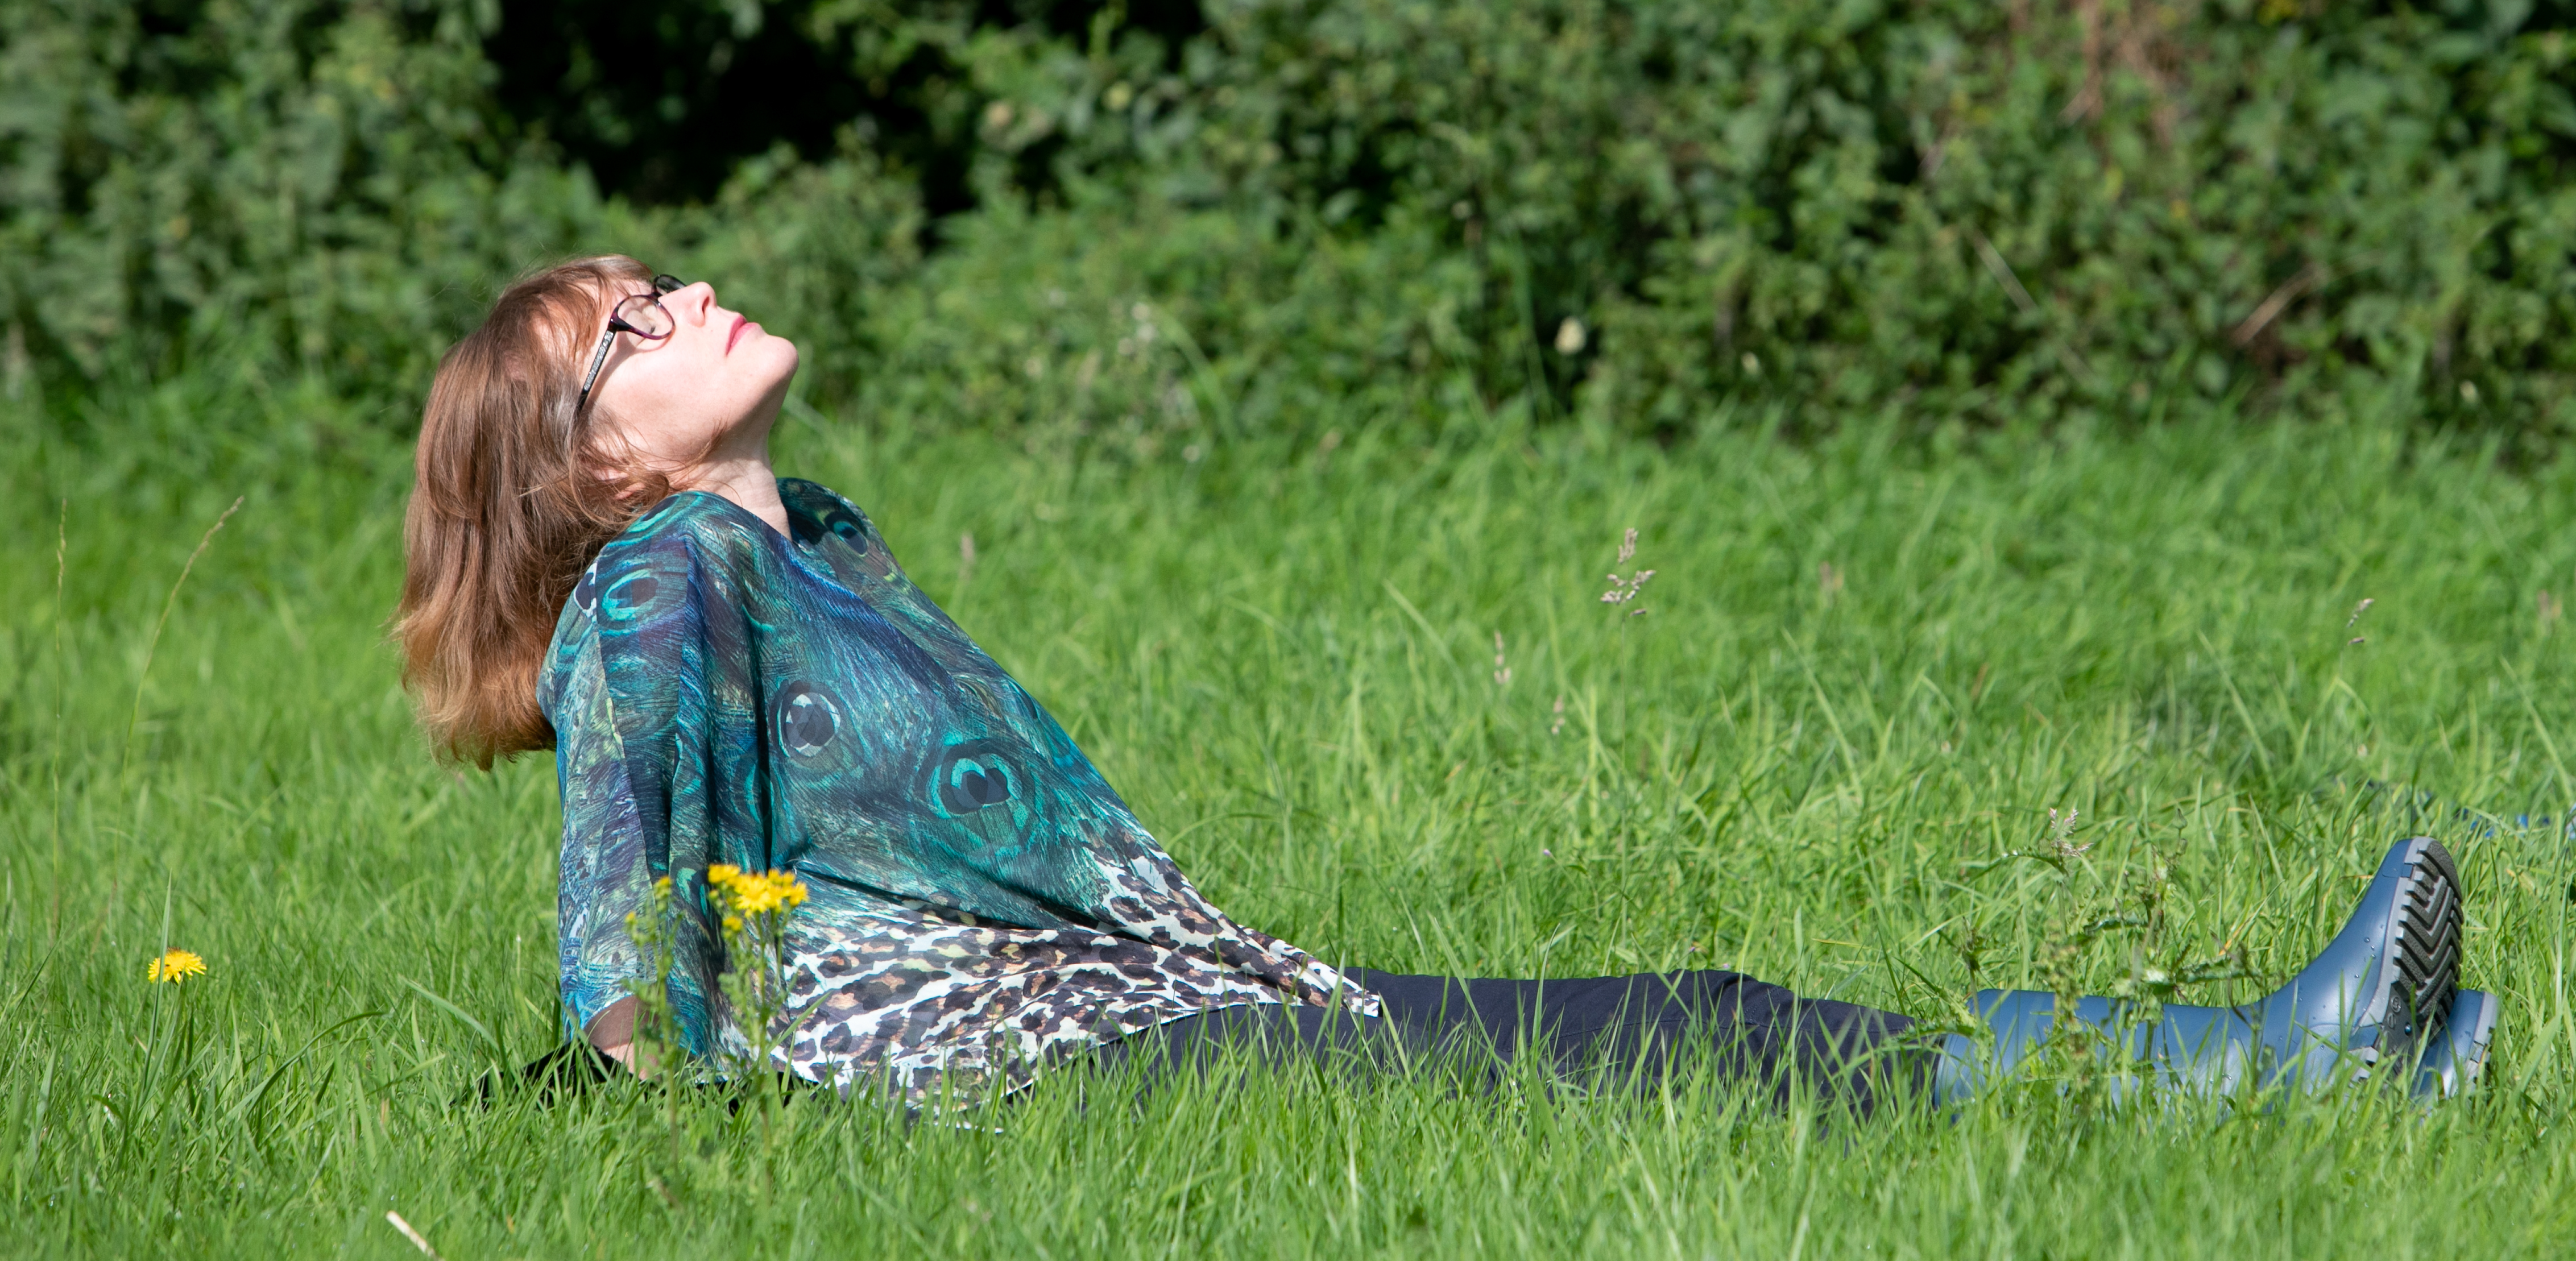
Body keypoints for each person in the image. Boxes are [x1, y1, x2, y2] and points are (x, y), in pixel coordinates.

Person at [397, 258, 2499, 1115]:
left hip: (1149, 1003)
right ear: (595, 459)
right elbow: (625, 872)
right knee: (1660, 1045)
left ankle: (2314, 1071)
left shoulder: (811, 538)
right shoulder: (661, 583)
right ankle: (2263, 1061)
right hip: (1030, 1065)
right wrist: (655, 1114)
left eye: (657, 274)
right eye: (632, 324)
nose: (684, 294)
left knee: (1696, 1016)